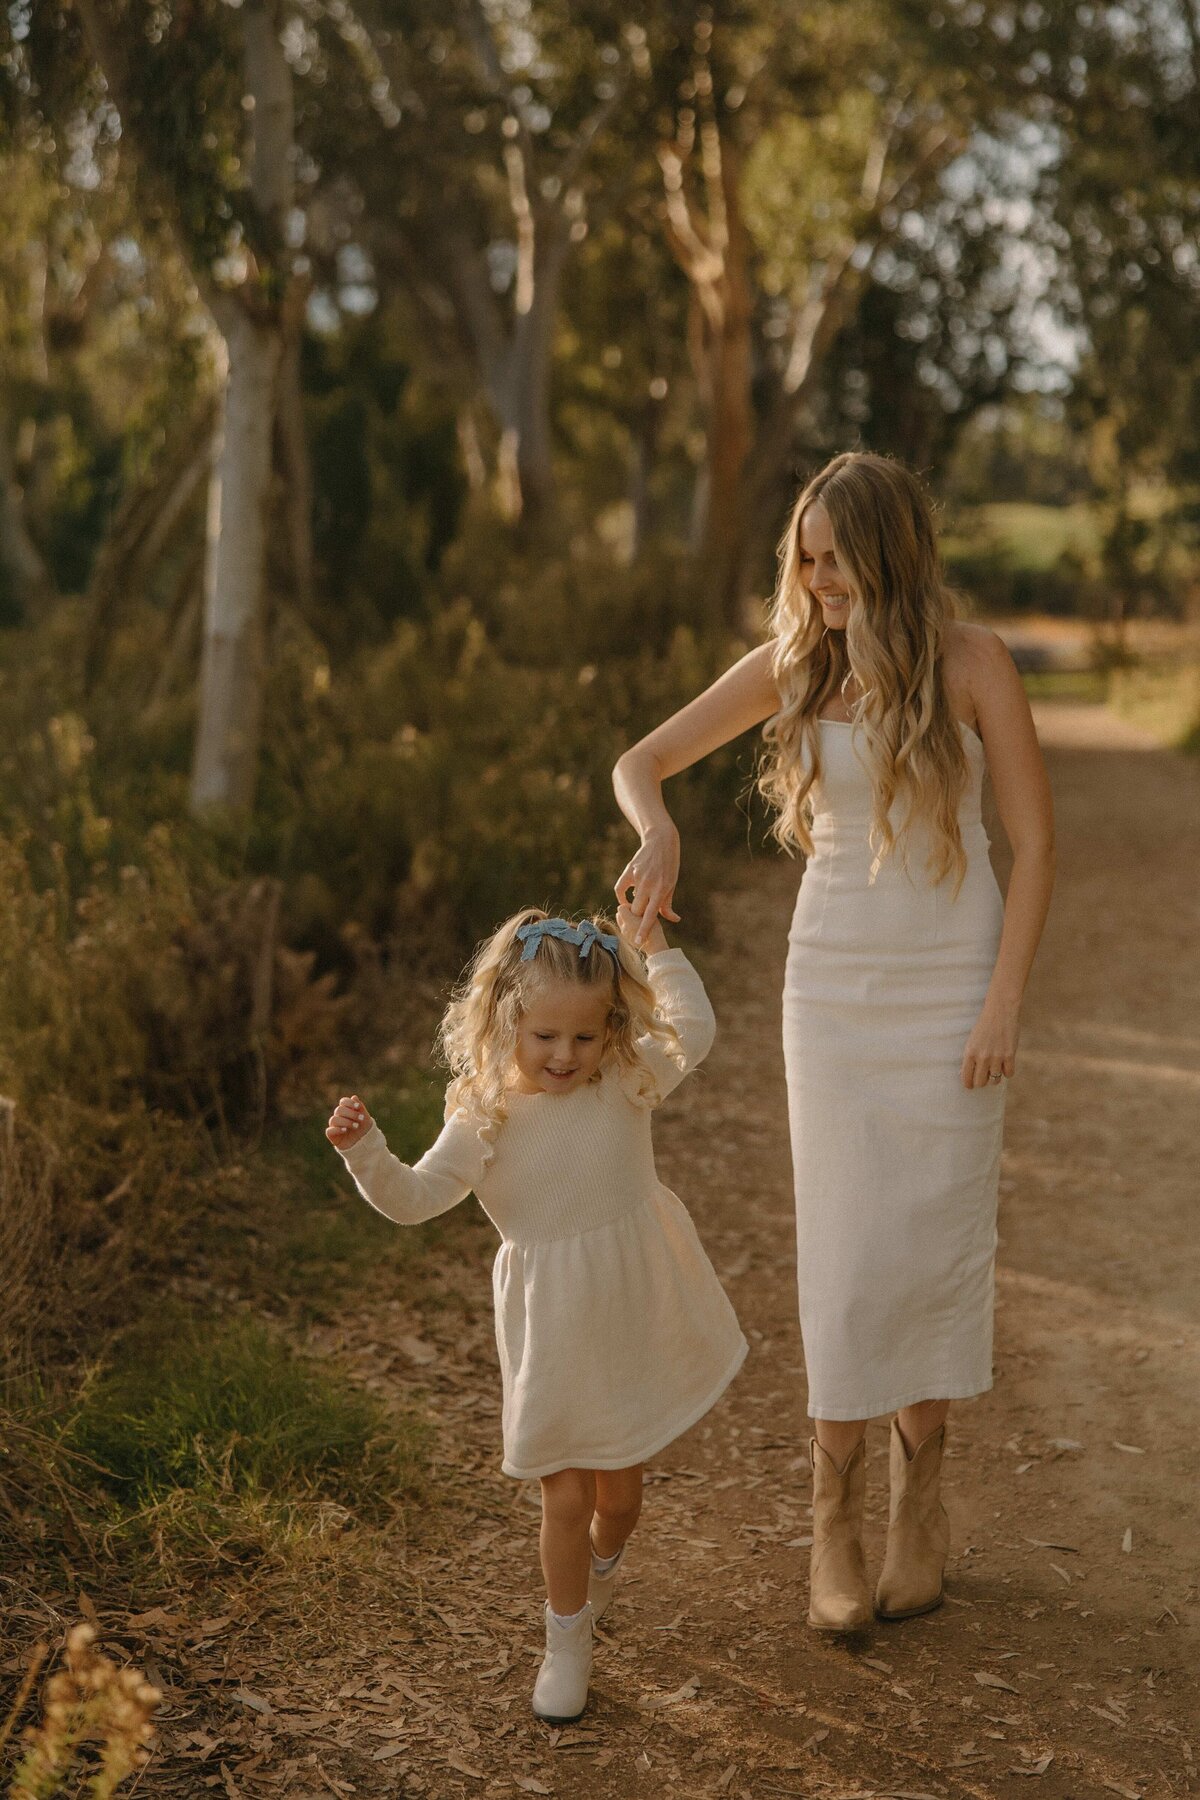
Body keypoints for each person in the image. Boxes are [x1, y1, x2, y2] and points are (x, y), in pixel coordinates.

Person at [612, 451, 1055, 1633]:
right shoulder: (794, 666)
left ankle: (924, 1498)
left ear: (890, 552)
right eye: (801, 560)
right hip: (833, 995)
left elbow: (1035, 844)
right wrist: (658, 835)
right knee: (848, 1258)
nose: (814, 580)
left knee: (932, 1239)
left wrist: (1004, 1001)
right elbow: (638, 761)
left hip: (952, 980)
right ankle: (835, 1519)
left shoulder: (974, 667)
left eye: (832, 557)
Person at [326, 905, 747, 1719]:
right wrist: (365, 1153)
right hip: (552, 1325)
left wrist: (656, 945)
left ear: (611, 1029)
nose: (565, 1056)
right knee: (566, 1493)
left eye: (584, 1038)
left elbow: (694, 1024)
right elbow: (414, 1199)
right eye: (545, 1037)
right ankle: (567, 1638)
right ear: (505, 1019)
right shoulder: (484, 1115)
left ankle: (599, 1576)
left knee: (618, 1501)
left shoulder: (627, 1079)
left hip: (627, 1310)